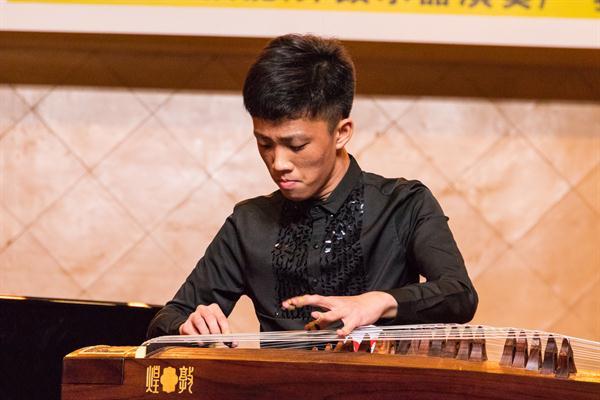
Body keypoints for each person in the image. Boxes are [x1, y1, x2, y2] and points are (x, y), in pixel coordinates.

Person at [147, 34, 477, 340]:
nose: (279, 163)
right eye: (265, 144)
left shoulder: (403, 205)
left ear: (342, 132)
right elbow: (168, 317)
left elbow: (459, 294)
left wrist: (378, 302)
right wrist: (188, 325)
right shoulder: (248, 223)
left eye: (297, 145)